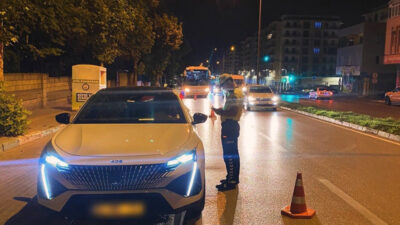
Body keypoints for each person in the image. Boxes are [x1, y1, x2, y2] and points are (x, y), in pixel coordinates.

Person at [212, 74, 243, 191]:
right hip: (231, 126)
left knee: (229, 155)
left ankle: (231, 181)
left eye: (223, 85)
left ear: (229, 82)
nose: (222, 88)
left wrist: (218, 111)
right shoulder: (233, 92)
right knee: (232, 154)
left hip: (230, 126)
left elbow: (232, 112)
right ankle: (232, 177)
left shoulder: (235, 94)